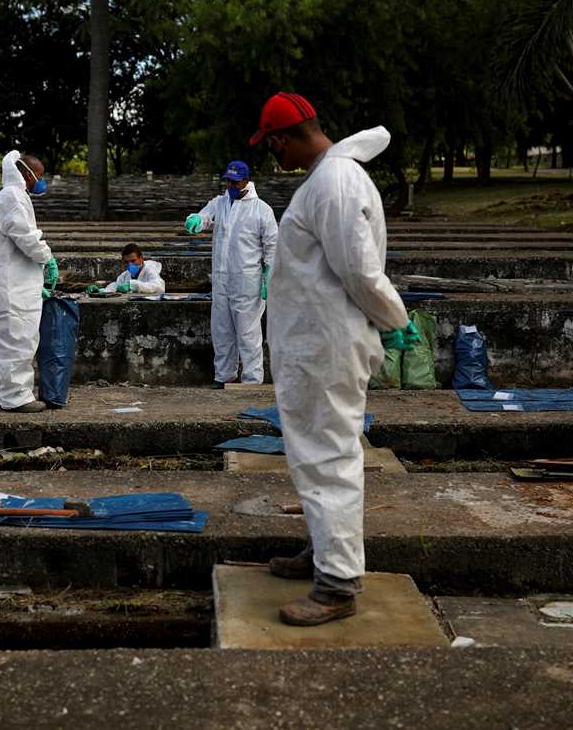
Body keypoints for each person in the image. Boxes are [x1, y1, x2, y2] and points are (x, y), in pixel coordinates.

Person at [253, 92, 420, 626]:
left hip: (326, 346)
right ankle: (322, 551)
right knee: (314, 453)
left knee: (327, 457)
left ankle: (338, 582)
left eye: (271, 148)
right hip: (316, 344)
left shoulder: (333, 182)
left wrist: (396, 319)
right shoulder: (330, 178)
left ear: (281, 138)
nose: (273, 159)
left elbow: (360, 271)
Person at [0, 150, 59, 413]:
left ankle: (2, 393)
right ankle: (16, 397)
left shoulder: (10, 196)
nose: (41, 181)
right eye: (39, 176)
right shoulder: (13, 197)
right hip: (6, 284)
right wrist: (47, 257)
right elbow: (26, 238)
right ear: (25, 174)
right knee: (16, 336)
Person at [184, 160, 278, 387]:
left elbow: (273, 246)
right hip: (221, 278)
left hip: (248, 281)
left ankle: (252, 381)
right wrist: (195, 220)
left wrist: (270, 275)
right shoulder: (220, 203)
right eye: (228, 181)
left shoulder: (261, 210)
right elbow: (204, 217)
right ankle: (224, 376)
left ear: (246, 180)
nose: (231, 186)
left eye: (235, 182)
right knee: (222, 330)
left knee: (248, 334)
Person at [86, 243, 166, 295]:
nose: (130, 264)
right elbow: (115, 286)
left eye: (133, 260)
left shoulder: (150, 269)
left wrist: (133, 285)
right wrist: (100, 291)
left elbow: (160, 287)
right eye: (127, 262)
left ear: (141, 258)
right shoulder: (125, 275)